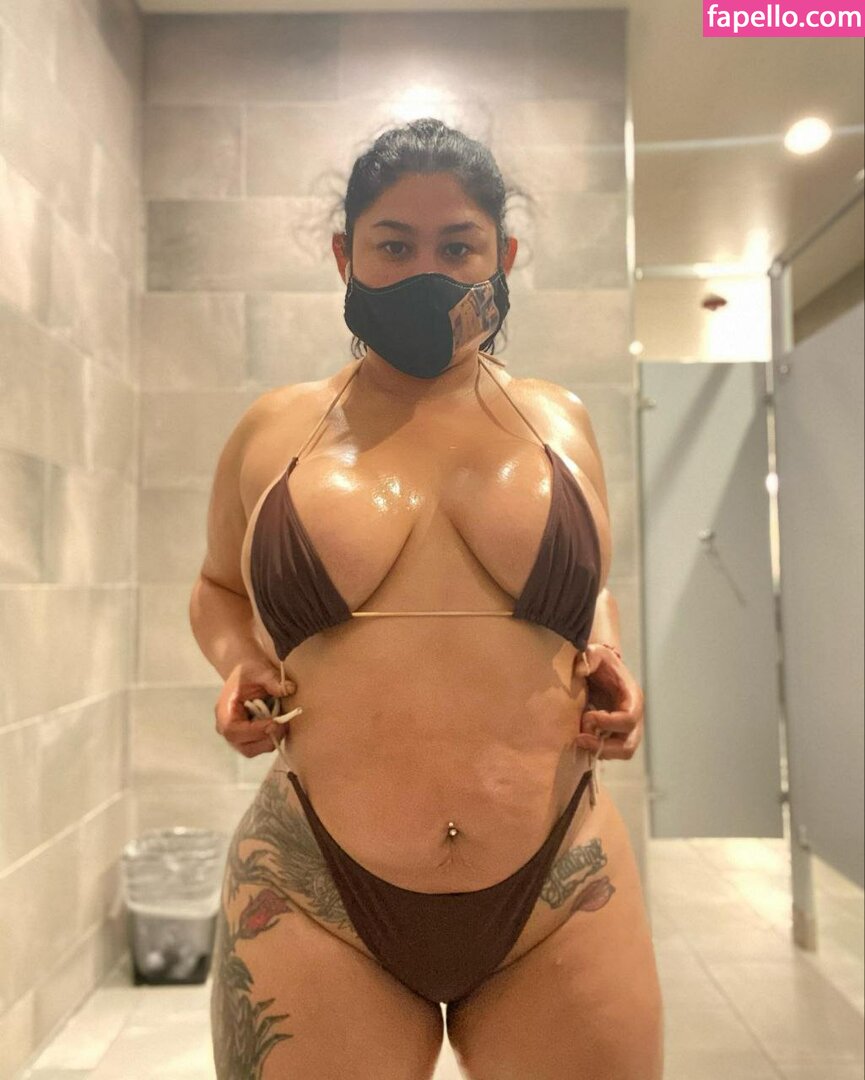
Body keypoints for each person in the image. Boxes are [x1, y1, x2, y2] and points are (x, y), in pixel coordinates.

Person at [189, 117, 663, 1080]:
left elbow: (586, 589)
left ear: (503, 258)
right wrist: (238, 662)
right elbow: (216, 588)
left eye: (457, 247)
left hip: (560, 880)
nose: (425, 272)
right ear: (344, 257)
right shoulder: (275, 428)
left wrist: (609, 657)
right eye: (393, 246)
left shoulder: (560, 421)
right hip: (313, 884)